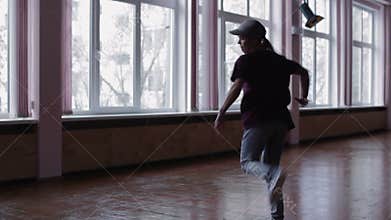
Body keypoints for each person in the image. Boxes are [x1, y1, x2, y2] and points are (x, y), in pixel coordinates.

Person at [214, 19, 309, 220]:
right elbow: (304, 72)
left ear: (256, 40)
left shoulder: (245, 61)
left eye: (242, 39)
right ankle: (277, 216)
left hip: (258, 119)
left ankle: (275, 175)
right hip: (281, 122)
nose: (240, 43)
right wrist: (304, 96)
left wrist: (222, 111)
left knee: (248, 162)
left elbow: (236, 87)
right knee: (271, 172)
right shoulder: (279, 60)